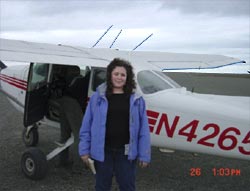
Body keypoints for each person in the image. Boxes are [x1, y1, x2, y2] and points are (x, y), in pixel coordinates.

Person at [78, 58, 151, 191]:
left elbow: (143, 130)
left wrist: (144, 154)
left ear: (127, 77)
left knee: (127, 186)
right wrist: (84, 149)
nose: (119, 77)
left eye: (123, 75)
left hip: (126, 152)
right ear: (110, 75)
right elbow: (86, 125)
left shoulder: (137, 99)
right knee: (101, 186)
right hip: (103, 151)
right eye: (116, 74)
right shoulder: (97, 97)